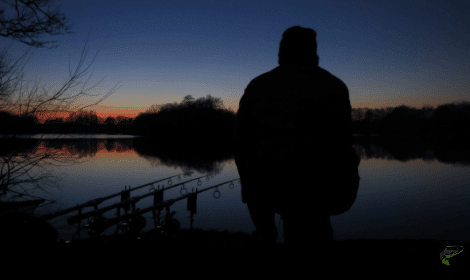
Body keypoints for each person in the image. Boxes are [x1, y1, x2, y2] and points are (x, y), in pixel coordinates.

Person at [233, 26, 361, 252]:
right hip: (324, 187)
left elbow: (241, 141)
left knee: (247, 158)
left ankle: (265, 230)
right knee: (339, 160)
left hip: (270, 187)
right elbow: (344, 140)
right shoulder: (336, 85)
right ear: (313, 51)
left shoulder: (259, 85)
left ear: (282, 51)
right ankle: (316, 232)